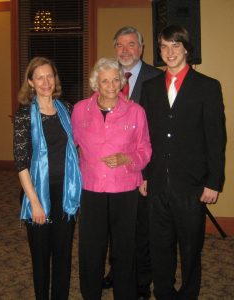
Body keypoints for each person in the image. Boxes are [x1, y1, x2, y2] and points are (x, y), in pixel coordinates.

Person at [140, 24, 226, 300]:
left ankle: (189, 293)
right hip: (156, 183)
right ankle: (163, 292)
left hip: (191, 185)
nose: (170, 52)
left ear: (187, 49)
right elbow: (144, 137)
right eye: (164, 46)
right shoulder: (150, 87)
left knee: (191, 248)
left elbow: (216, 138)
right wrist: (143, 174)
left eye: (175, 45)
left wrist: (214, 181)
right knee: (159, 246)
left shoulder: (208, 87)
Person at [71, 57, 152, 300]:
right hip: (91, 187)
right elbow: (70, 147)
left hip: (124, 189)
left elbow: (146, 150)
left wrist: (127, 159)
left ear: (121, 82)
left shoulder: (136, 112)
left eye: (115, 79)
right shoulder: (79, 110)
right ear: (96, 83)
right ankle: (91, 294)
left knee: (124, 248)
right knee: (91, 248)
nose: (110, 85)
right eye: (104, 80)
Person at [13, 56, 82, 300]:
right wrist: (34, 202)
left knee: (63, 255)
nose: (46, 82)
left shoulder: (68, 110)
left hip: (66, 193)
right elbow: (21, 163)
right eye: (39, 77)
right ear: (30, 82)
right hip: (37, 193)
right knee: (41, 258)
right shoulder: (24, 116)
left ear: (55, 79)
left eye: (49, 76)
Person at [103, 25, 162, 300]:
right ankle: (116, 273)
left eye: (131, 45)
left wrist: (147, 173)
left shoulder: (156, 78)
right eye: (120, 45)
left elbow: (159, 133)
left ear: (141, 48)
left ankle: (141, 282)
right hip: (112, 172)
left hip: (140, 170)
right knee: (115, 226)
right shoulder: (106, 77)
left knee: (141, 231)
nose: (125, 51)